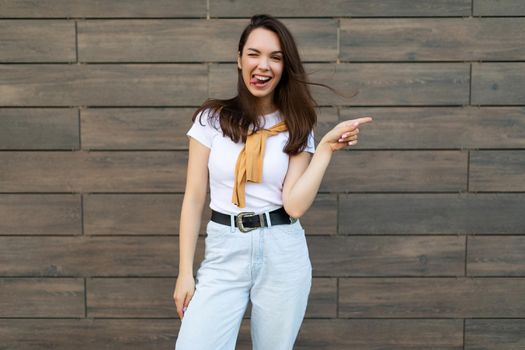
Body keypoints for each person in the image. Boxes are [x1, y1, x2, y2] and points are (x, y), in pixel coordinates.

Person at [173, 14, 372, 350]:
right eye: (254, 54)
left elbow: (293, 204)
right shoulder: (211, 119)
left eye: (275, 57)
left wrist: (324, 150)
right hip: (225, 248)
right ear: (239, 59)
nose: (262, 65)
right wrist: (185, 272)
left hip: (282, 249)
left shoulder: (298, 123)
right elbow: (193, 198)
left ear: (284, 67)